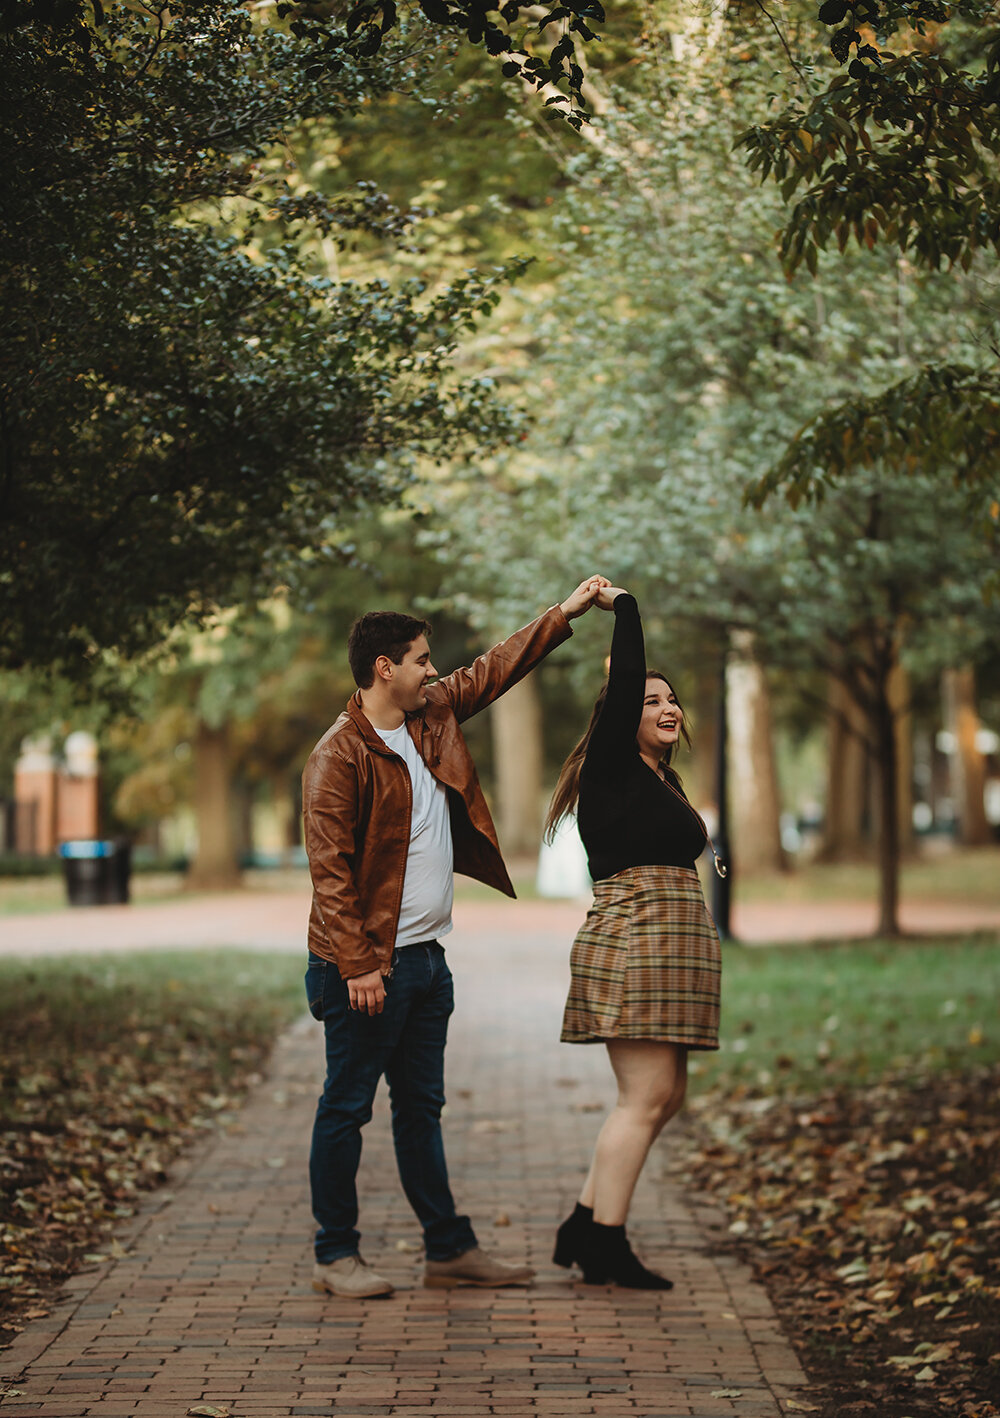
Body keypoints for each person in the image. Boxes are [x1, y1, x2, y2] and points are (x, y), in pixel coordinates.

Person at [302, 577, 605, 1299]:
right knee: (347, 1109)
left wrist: (563, 611)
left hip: (427, 963)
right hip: (366, 971)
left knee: (420, 1110)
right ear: (385, 667)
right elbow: (330, 873)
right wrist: (358, 966)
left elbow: (495, 667)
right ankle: (334, 1254)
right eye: (421, 659)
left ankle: (447, 1250)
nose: (433, 670)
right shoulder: (338, 756)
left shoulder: (431, 713)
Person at [544, 585, 722, 1290]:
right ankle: (606, 1246)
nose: (668, 706)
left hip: (670, 945)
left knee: (665, 1093)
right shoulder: (612, 766)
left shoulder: (658, 780)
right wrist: (627, 609)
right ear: (620, 716)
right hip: (638, 940)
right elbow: (626, 679)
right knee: (643, 1096)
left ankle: (586, 1223)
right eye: (650, 700)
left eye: (672, 698)